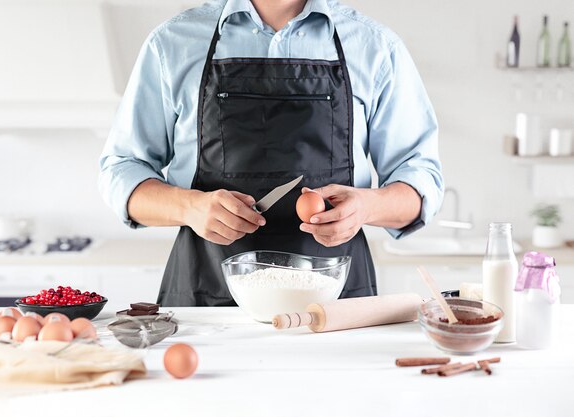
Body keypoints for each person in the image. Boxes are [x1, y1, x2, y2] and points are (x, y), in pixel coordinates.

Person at [99, 0, 444, 306]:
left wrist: (366, 207)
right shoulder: (173, 43)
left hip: (334, 307)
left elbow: (421, 181)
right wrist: (190, 207)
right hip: (207, 302)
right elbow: (121, 171)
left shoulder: (375, 46)